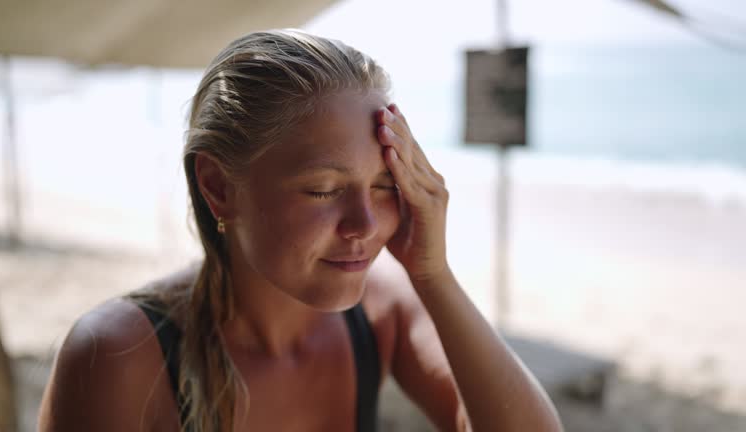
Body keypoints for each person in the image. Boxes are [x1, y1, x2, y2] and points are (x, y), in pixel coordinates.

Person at [37, 29, 562, 432]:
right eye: (323, 190)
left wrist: (434, 274)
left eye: (385, 184)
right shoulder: (121, 354)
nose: (364, 224)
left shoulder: (382, 313)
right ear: (218, 186)